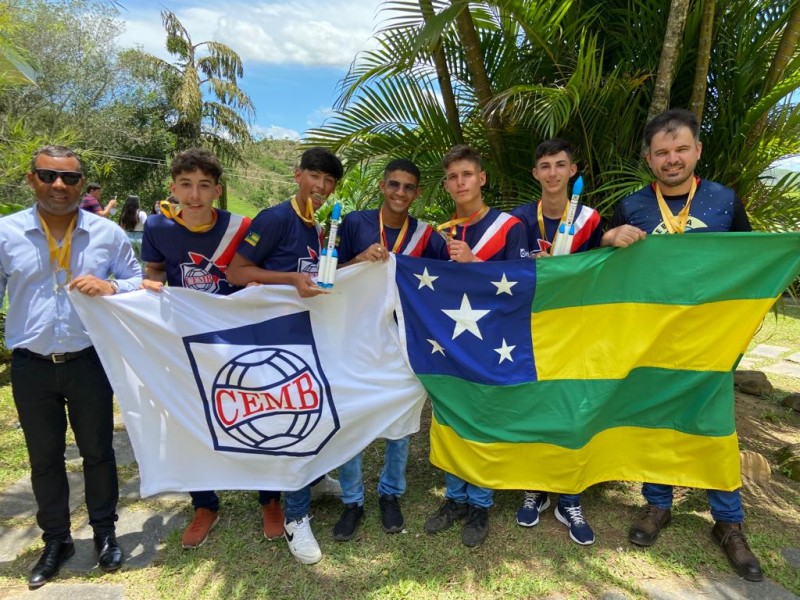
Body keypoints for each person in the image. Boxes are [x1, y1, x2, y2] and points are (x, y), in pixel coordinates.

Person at [606, 108, 762, 582]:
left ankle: (728, 523)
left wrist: (742, 324)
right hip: (651, 338)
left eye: (680, 150)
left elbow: (750, 263)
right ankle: (657, 506)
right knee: (658, 420)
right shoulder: (632, 205)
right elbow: (601, 271)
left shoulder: (723, 201)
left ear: (696, 150)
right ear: (649, 159)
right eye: (662, 152)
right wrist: (610, 237)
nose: (671, 159)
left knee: (714, 426)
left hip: (710, 339)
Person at [0, 145, 141, 587]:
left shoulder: (107, 234)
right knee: (44, 459)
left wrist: (111, 285)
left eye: (69, 178)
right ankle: (56, 541)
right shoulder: (6, 233)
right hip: (30, 365)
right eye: (48, 176)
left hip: (89, 361)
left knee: (98, 453)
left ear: (82, 184)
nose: (59, 186)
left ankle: (104, 535)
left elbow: (137, 280)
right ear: (32, 179)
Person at [139, 148, 286, 549]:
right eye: (185, 185)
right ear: (173, 187)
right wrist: (150, 282)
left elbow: (257, 269)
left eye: (204, 185)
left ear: (217, 190)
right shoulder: (157, 227)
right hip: (186, 341)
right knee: (192, 423)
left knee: (259, 413)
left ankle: (270, 497)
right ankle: (204, 504)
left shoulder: (242, 227)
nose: (194, 194)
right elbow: (153, 271)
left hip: (240, 339)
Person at [227, 146, 344, 565]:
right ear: (298, 175)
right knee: (291, 426)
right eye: (315, 177)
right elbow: (236, 273)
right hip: (274, 345)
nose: (322, 187)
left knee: (317, 416)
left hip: (309, 338)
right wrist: (290, 279)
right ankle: (296, 517)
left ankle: (313, 481)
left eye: (329, 182)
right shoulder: (275, 218)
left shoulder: (320, 225)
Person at [331, 159, 448, 542]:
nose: (400, 193)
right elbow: (328, 272)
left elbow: (445, 279)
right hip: (357, 337)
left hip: (404, 340)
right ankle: (352, 500)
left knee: (400, 423)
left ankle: (390, 494)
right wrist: (358, 261)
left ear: (416, 193)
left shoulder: (426, 236)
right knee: (351, 417)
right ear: (382, 186)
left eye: (409, 187)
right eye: (394, 185)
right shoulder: (353, 224)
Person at [423, 145, 528, 548]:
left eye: (467, 174)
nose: (460, 182)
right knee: (449, 415)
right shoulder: (441, 232)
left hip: (494, 340)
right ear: (447, 184)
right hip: (450, 340)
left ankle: (481, 502)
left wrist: (475, 264)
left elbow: (520, 284)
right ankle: (454, 498)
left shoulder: (509, 226)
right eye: (452, 177)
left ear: (481, 178)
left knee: (483, 417)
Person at [509, 139, 607, 545]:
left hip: (575, 329)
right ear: (536, 173)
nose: (552, 172)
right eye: (544, 165)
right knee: (534, 407)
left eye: (560, 165)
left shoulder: (590, 219)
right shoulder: (517, 221)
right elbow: (504, 277)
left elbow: (603, 271)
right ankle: (535, 488)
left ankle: (569, 496)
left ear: (572, 171)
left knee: (572, 412)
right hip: (530, 330)